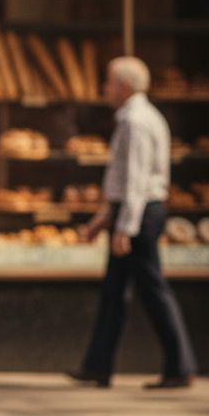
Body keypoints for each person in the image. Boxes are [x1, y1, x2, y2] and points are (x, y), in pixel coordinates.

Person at [71, 56, 198, 390]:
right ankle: (98, 366)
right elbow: (123, 179)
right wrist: (103, 218)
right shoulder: (135, 117)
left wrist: (126, 226)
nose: (104, 88)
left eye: (109, 81)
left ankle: (179, 366)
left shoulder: (136, 121)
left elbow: (136, 180)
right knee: (114, 292)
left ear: (124, 86)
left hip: (140, 213)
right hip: (134, 210)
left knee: (153, 289)